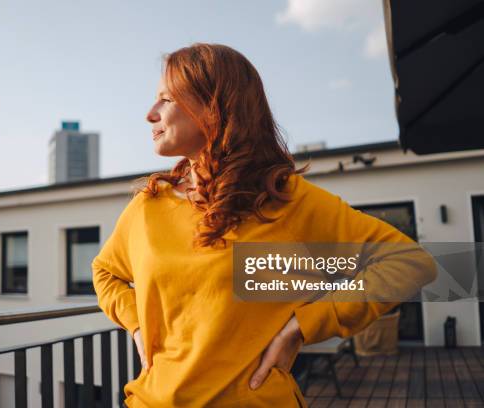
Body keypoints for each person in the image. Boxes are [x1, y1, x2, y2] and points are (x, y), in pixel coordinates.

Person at [92, 43, 437, 407]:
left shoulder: (286, 199)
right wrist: (137, 325)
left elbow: (412, 263)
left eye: (167, 99)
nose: (150, 114)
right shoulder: (149, 206)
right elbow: (105, 272)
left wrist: (302, 326)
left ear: (213, 107)